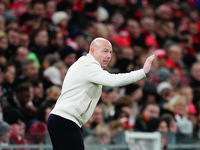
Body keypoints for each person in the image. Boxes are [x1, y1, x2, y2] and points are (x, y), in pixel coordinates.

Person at [47, 37, 155, 150]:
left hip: (62, 120)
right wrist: (142, 72)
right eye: (105, 51)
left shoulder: (85, 65)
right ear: (92, 51)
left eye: (110, 52)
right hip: (65, 121)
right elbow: (113, 80)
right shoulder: (88, 65)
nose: (109, 56)